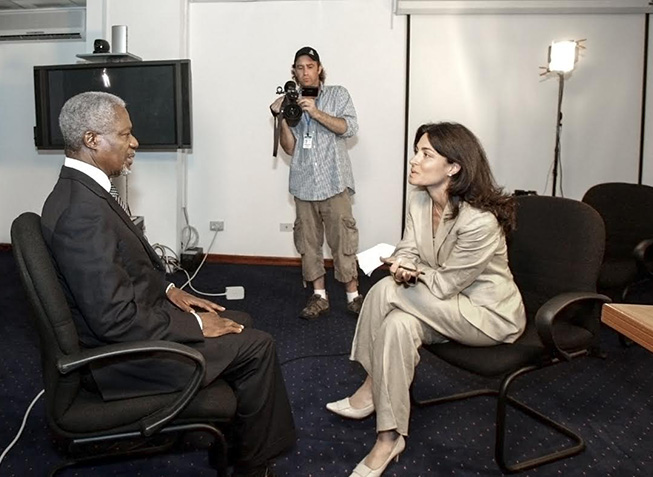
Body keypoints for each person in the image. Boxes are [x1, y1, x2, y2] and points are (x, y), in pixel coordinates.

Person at [41, 91, 295, 477]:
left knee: (237, 318)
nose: (134, 143)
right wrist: (193, 326)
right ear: (92, 140)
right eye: (125, 134)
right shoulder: (82, 212)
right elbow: (114, 320)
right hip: (120, 359)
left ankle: (229, 443)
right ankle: (251, 466)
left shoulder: (82, 192)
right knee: (257, 346)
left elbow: (117, 270)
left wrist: (168, 291)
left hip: (129, 328)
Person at [325, 122, 526, 477]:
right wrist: (405, 263)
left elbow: (448, 283)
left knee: (386, 290)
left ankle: (371, 386)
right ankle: (389, 437)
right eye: (417, 151)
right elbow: (410, 248)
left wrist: (406, 274)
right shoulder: (420, 199)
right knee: (398, 325)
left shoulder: (479, 221)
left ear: (454, 167)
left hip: (484, 315)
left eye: (426, 154)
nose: (414, 160)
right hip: (434, 305)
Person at [269, 46, 363, 320]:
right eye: (300, 67)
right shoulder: (292, 101)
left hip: (334, 181)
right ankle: (319, 296)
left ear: (319, 68)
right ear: (294, 72)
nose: (305, 72)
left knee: (342, 239)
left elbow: (350, 128)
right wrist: (283, 118)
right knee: (308, 243)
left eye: (310, 66)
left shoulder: (338, 94)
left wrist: (316, 112)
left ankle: (353, 296)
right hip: (304, 184)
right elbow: (289, 148)